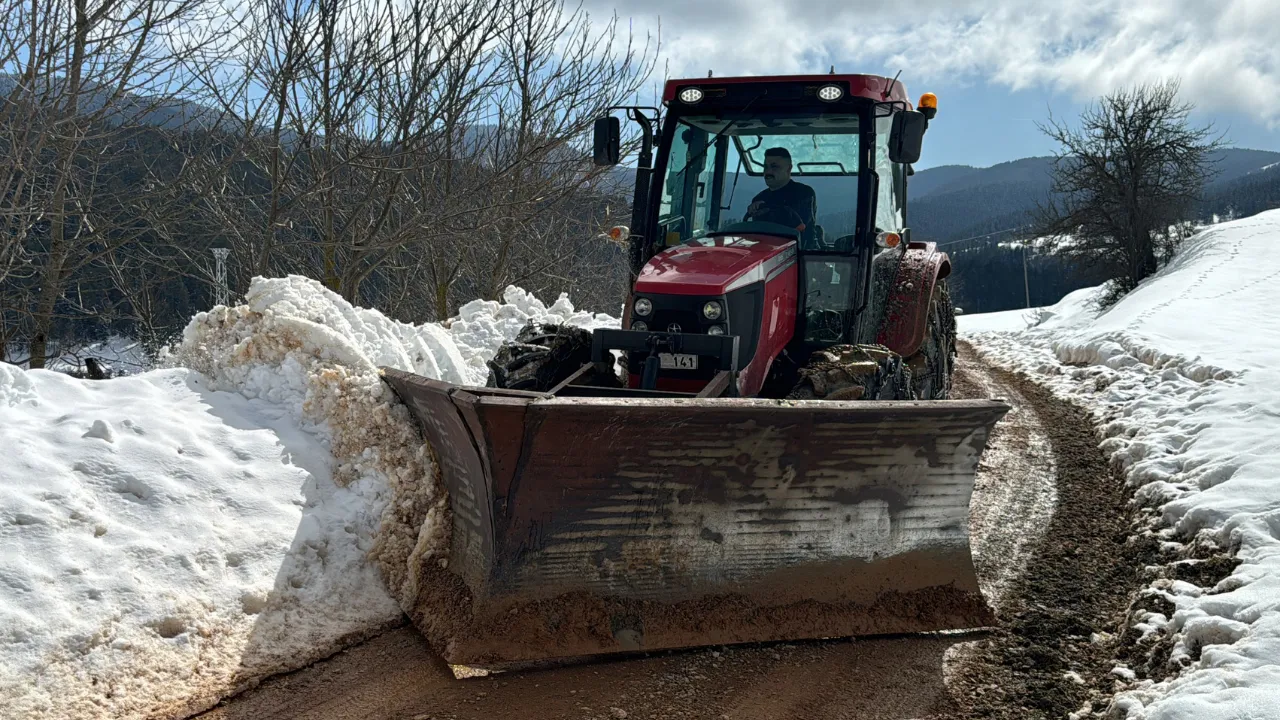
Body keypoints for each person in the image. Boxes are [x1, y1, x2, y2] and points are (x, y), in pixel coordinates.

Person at [745, 147, 817, 244]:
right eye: (766, 167)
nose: (768, 172)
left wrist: (769, 209)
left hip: (800, 252)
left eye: (774, 167)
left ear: (789, 168)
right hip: (766, 251)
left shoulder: (804, 193)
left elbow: (801, 227)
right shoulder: (759, 198)